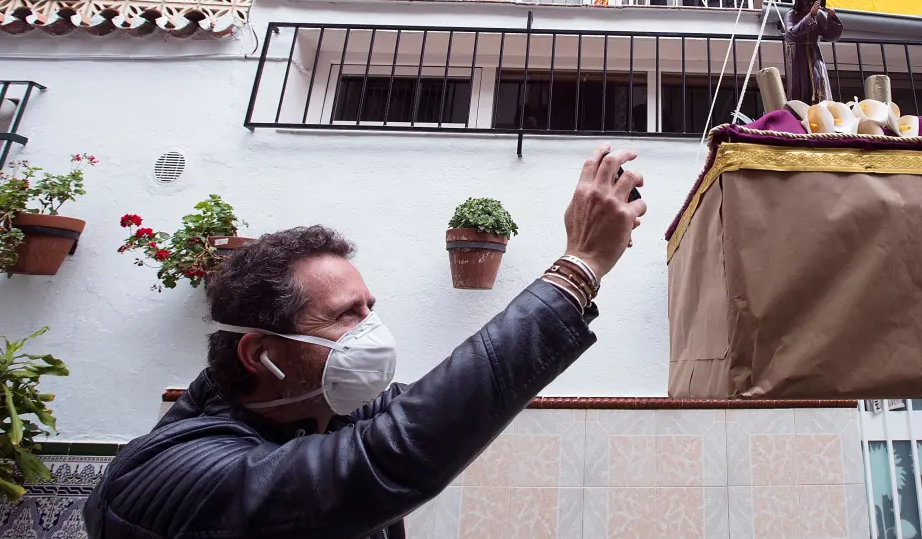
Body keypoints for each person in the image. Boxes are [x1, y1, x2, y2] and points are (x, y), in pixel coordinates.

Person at [83, 145, 646, 539]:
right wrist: (577, 268)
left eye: (368, 309)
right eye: (345, 316)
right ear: (261, 354)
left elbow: (440, 404)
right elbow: (394, 453)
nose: (371, 330)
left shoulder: (314, 412)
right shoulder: (170, 473)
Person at [781, 0, 844, 105]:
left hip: (815, 52)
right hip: (798, 54)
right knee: (801, 84)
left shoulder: (819, 14)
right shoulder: (791, 14)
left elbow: (830, 36)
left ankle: (821, 107)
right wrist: (810, 16)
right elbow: (791, 34)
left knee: (819, 78)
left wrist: (832, 18)